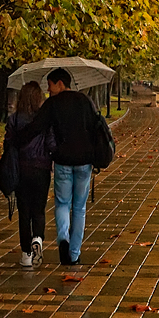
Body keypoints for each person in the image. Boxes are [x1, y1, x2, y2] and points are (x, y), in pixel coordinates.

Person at [16, 68, 99, 265]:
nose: (48, 89)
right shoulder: (85, 101)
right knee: (79, 208)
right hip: (84, 162)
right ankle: (74, 254)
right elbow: (96, 128)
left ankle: (63, 239)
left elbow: (36, 127)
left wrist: (16, 141)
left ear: (60, 83)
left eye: (50, 84)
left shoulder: (53, 104)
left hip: (62, 162)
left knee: (62, 203)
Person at [5, 81, 55, 268]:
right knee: (39, 209)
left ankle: (26, 254)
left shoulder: (14, 120)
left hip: (21, 169)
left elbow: (8, 144)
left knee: (24, 212)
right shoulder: (44, 120)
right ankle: (38, 239)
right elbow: (51, 144)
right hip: (41, 169)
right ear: (39, 98)